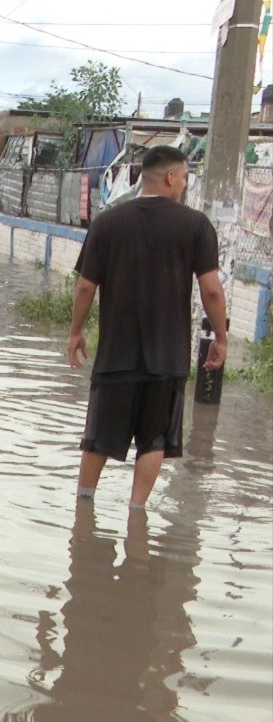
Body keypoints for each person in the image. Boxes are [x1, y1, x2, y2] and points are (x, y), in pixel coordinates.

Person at [67, 145, 228, 510]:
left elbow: (85, 287)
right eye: (185, 177)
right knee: (154, 441)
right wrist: (221, 336)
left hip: (115, 355)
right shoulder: (196, 225)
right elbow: (212, 290)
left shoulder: (108, 222)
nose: (185, 184)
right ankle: (136, 516)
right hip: (167, 358)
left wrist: (75, 332)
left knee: (98, 438)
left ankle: (83, 509)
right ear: (170, 177)